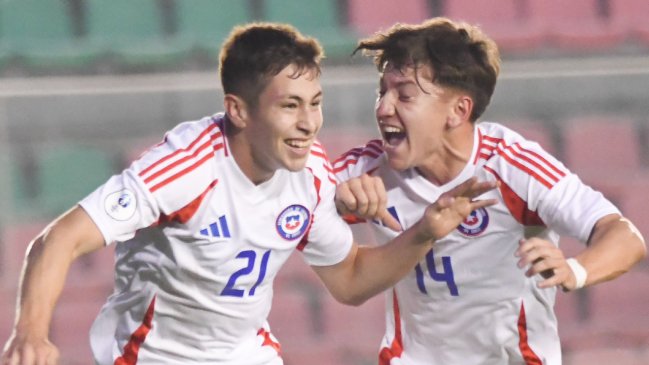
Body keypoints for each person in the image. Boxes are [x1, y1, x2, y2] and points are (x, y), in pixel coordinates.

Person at [1, 22, 498, 365]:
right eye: (290, 107)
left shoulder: (310, 175)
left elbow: (348, 281)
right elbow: (58, 240)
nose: (308, 124)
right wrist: (30, 334)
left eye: (315, 104)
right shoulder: (186, 168)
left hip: (247, 353)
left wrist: (425, 232)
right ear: (239, 111)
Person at [333, 17, 647, 365]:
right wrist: (334, 200)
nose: (382, 107)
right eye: (382, 91)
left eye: (404, 95)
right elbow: (287, 196)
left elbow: (625, 237)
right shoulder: (365, 171)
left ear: (458, 110)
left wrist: (576, 270)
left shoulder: (513, 166)